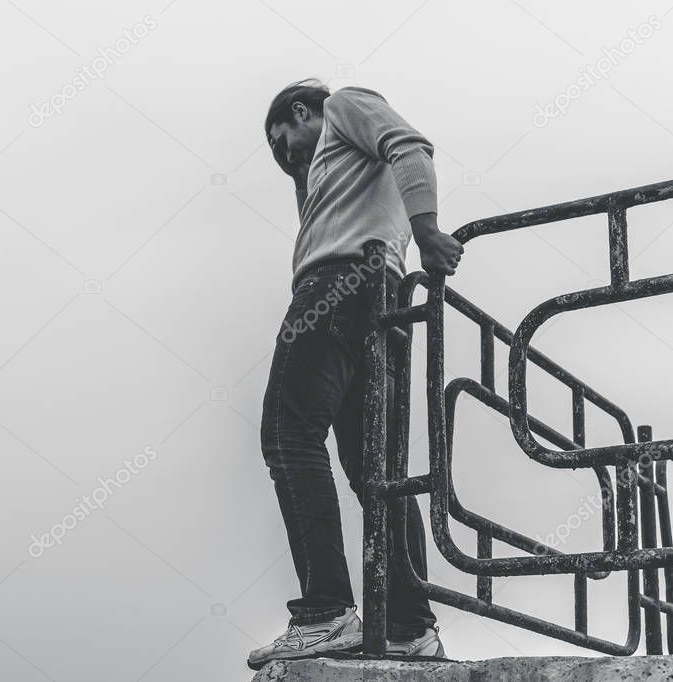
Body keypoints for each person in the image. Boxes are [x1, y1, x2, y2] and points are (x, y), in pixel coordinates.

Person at [248, 80, 463, 670]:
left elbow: (410, 146)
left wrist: (426, 232)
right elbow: (334, 198)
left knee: (287, 437)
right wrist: (305, 174)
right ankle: (410, 627)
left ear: (300, 110)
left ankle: (324, 614)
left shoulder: (344, 104)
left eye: (282, 141)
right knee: (377, 472)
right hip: (379, 299)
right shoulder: (336, 175)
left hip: (335, 287)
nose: (284, 156)